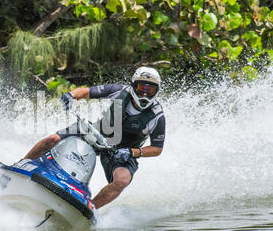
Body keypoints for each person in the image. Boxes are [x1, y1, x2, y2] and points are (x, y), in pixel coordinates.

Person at [23, 66, 166, 209]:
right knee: (52, 140)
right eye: (141, 89)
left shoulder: (157, 116)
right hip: (96, 133)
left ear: (157, 91)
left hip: (123, 151)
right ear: (134, 86)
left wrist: (132, 152)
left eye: (150, 90)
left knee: (122, 180)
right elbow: (86, 92)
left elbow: (157, 149)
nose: (145, 95)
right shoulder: (118, 91)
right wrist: (70, 95)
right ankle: (22, 165)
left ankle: (89, 208)